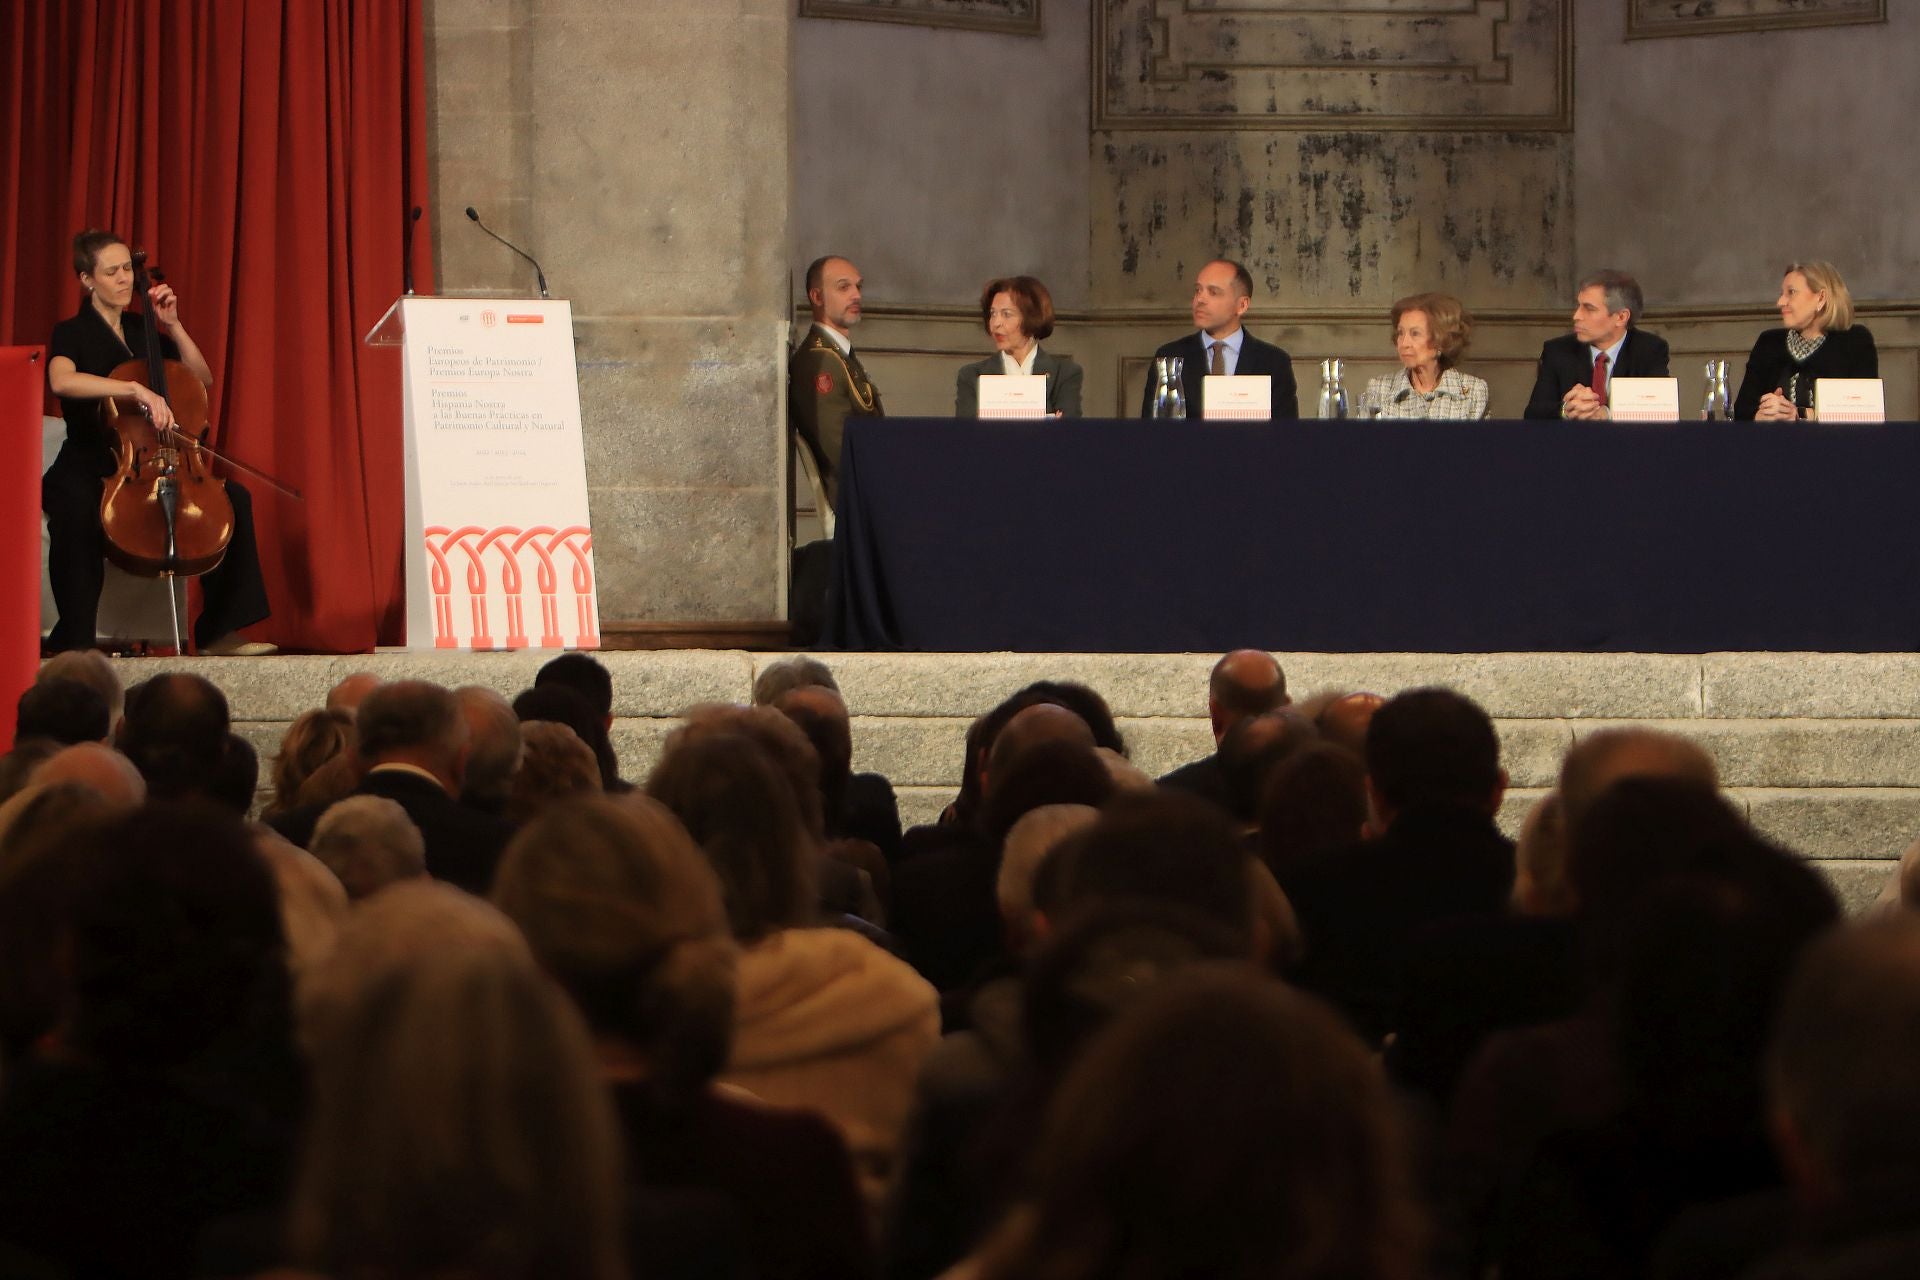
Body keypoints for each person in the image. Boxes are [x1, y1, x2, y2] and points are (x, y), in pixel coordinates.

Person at [43, 229, 271, 654]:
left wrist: (174, 325)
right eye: (112, 272)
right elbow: (61, 379)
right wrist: (134, 390)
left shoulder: (142, 329)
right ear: (87, 279)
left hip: (150, 461)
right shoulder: (72, 332)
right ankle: (75, 642)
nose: (125, 279)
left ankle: (220, 631)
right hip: (90, 460)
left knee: (234, 499)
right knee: (74, 513)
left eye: (127, 268)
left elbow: (200, 379)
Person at [1139, 258, 1298, 420]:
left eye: (1213, 292)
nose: (1199, 300)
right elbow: (1152, 431)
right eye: (1198, 290)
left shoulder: (1274, 362)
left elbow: (1285, 435)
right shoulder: (1170, 357)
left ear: (1242, 305)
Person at [790, 254, 883, 505]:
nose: (856, 295)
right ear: (817, 297)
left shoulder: (838, 356)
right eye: (844, 287)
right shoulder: (819, 362)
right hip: (855, 504)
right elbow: (840, 454)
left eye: (858, 286)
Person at [1734, 260, 1878, 421]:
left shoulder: (1854, 342)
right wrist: (1761, 415)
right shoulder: (1768, 343)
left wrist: (1799, 414)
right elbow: (1741, 410)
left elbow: (1864, 410)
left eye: (1791, 292)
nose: (1780, 302)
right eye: (1781, 294)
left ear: (1821, 298)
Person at [1522, 269, 1671, 421]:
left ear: (1621, 317)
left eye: (1589, 309)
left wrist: (1605, 414)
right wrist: (1566, 409)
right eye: (1578, 306)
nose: (1576, 316)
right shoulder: (1558, 350)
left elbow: (1659, 409)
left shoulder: (1650, 349)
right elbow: (1533, 412)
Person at [954, 276, 1082, 418]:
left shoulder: (1064, 374)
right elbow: (966, 434)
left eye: (1006, 314)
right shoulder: (971, 376)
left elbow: (1068, 432)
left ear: (1032, 317)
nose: (996, 323)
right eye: (992, 314)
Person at [1359, 292, 1490, 419]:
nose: (1404, 343)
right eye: (1400, 333)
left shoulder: (1473, 391)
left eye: (1415, 334)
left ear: (1441, 340)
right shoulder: (1379, 389)